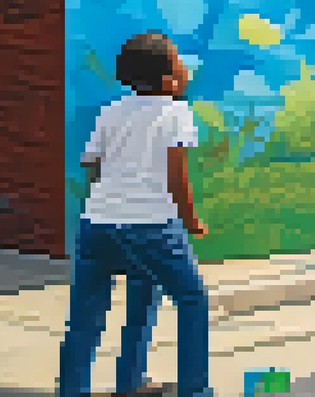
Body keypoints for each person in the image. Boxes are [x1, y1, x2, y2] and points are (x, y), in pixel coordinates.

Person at [60, 32, 211, 397]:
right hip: (151, 225)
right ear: (168, 80)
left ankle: (88, 387)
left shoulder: (110, 111)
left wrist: (106, 202)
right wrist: (191, 221)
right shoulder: (176, 112)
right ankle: (194, 389)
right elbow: (176, 174)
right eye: (179, 62)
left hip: (97, 223)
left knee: (87, 316)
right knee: (192, 299)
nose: (186, 69)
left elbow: (93, 166)